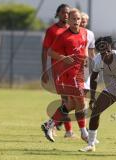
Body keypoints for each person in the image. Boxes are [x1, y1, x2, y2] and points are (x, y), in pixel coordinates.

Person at [41, 8, 89, 143]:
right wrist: (63, 57)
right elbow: (50, 52)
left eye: (78, 19)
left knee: (72, 104)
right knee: (81, 102)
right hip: (68, 75)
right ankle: (84, 133)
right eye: (73, 19)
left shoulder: (84, 32)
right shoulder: (63, 36)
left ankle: (49, 124)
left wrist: (85, 60)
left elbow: (84, 48)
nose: (76, 21)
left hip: (79, 73)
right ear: (68, 20)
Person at [41, 4, 75, 138]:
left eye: (68, 13)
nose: (65, 15)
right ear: (58, 14)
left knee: (69, 100)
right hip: (58, 69)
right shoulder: (52, 30)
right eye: (63, 13)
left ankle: (60, 127)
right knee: (66, 99)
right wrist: (44, 70)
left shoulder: (72, 29)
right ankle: (62, 128)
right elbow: (45, 50)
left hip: (72, 70)